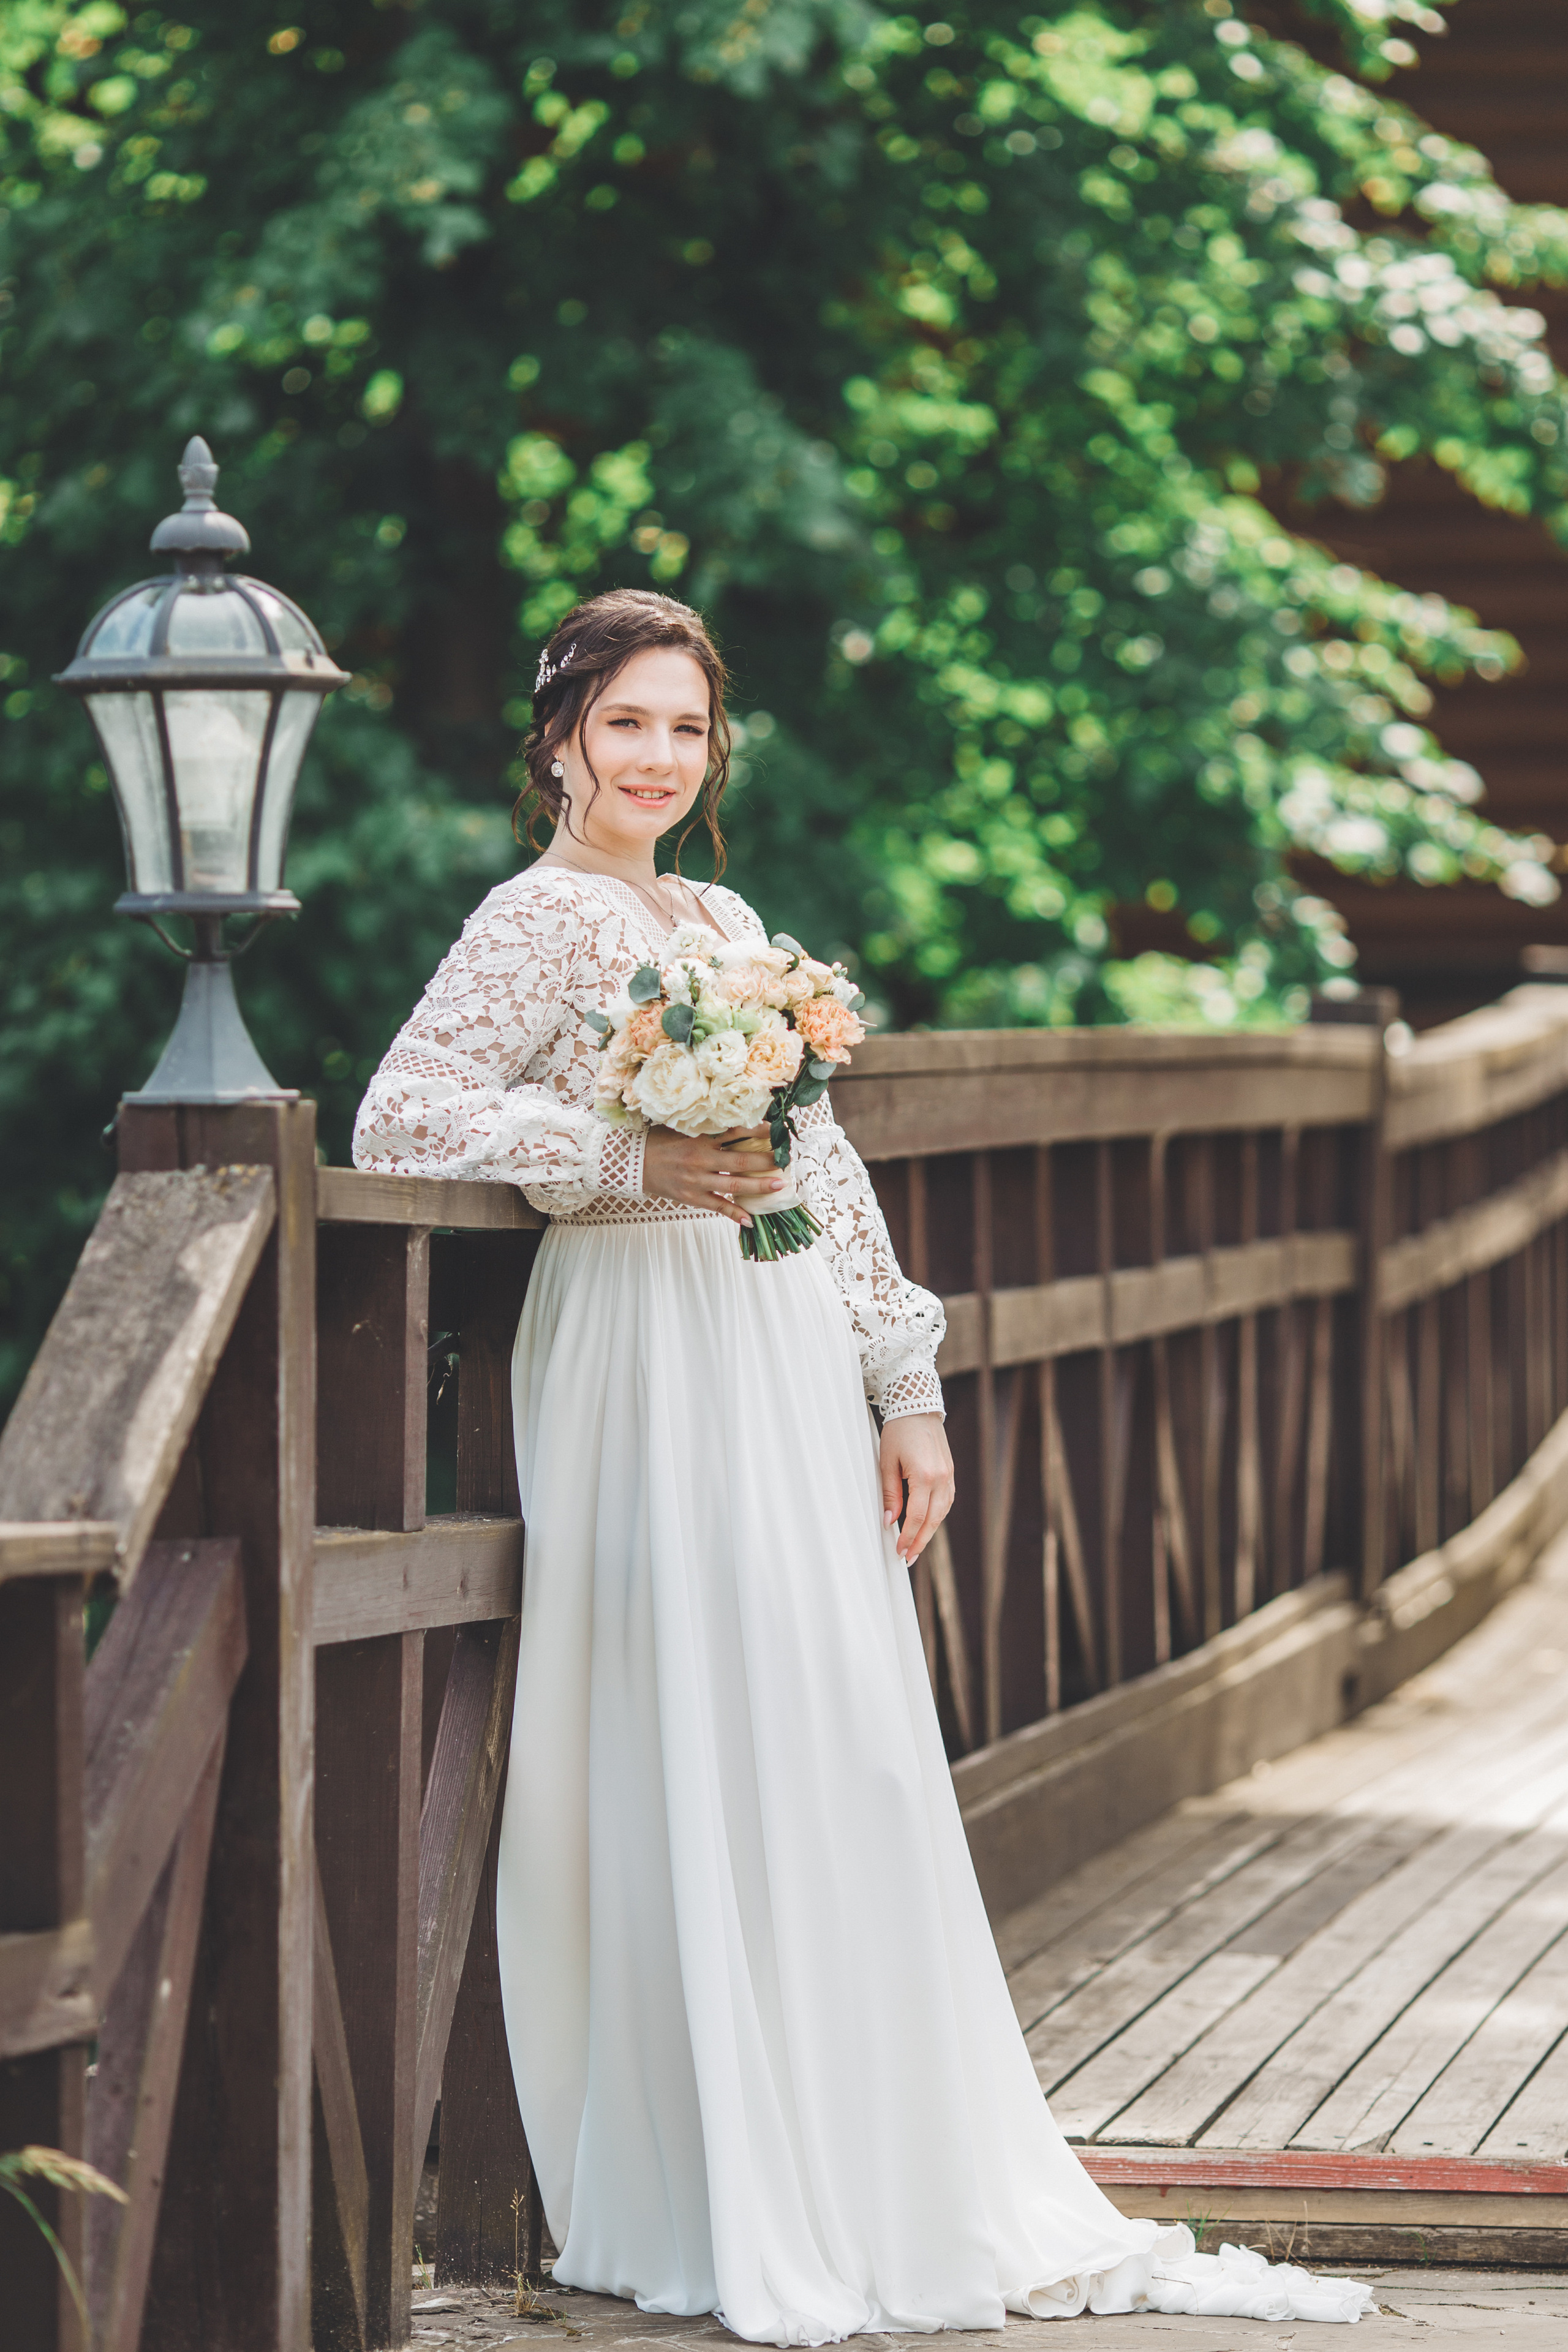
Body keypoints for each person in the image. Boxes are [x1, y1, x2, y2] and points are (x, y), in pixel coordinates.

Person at [353, 589, 1371, 2340]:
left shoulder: (728, 914)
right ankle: (708, 2160)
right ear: (560, 742)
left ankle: (853, 2140)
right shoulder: (533, 920)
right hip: (633, 1347)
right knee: (687, 1710)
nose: (658, 758)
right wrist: (615, 1155)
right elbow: (398, 1115)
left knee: (826, 1718)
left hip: (770, 1349)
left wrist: (906, 1380)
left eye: (685, 728)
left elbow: (823, 1165)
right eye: (626, 728)